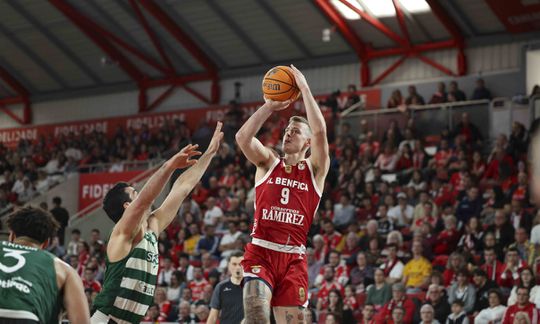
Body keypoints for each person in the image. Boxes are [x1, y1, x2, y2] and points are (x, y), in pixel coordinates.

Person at [91, 123, 223, 324]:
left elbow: (183, 188)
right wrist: (169, 165)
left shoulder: (153, 225)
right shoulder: (123, 231)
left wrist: (210, 154)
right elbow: (145, 199)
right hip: (106, 319)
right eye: (135, 193)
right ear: (127, 206)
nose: (141, 193)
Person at [235, 65, 330, 323]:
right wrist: (269, 106)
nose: (289, 133)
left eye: (296, 131)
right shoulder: (268, 162)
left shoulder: (316, 170)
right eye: (287, 129)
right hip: (261, 252)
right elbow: (243, 138)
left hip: (293, 258)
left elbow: (320, 131)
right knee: (256, 317)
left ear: (307, 143)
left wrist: (305, 89)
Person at [0, 207, 89, 323]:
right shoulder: (63, 268)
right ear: (46, 243)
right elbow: (81, 321)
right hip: (28, 318)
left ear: (11, 236)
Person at [207, 250, 244, 324]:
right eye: (234, 264)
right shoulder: (221, 287)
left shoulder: (253, 286)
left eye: (240, 264)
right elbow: (213, 316)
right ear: (228, 265)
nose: (237, 267)